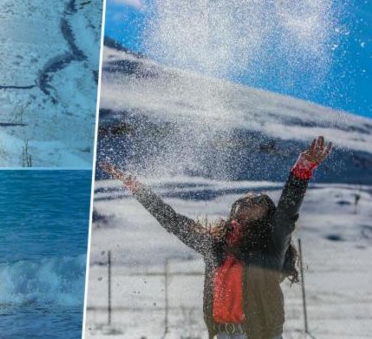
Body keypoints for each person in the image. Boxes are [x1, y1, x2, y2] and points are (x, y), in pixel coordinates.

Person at [101, 136, 332, 339]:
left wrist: (302, 169)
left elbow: (287, 214)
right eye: (246, 199)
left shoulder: (271, 247)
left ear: (265, 215)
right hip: (222, 334)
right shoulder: (217, 246)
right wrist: (137, 189)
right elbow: (172, 221)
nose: (250, 201)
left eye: (258, 201)